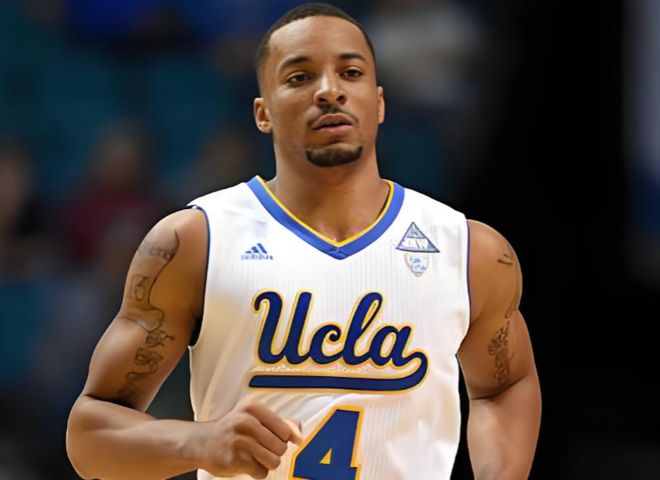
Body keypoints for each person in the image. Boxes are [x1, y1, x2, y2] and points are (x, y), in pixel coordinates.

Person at [66, 3, 541, 479]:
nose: (330, 90)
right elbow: (90, 436)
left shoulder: (467, 250)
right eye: (299, 77)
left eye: (350, 73)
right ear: (263, 113)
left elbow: (504, 386)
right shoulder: (196, 240)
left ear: (378, 102)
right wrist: (198, 441)